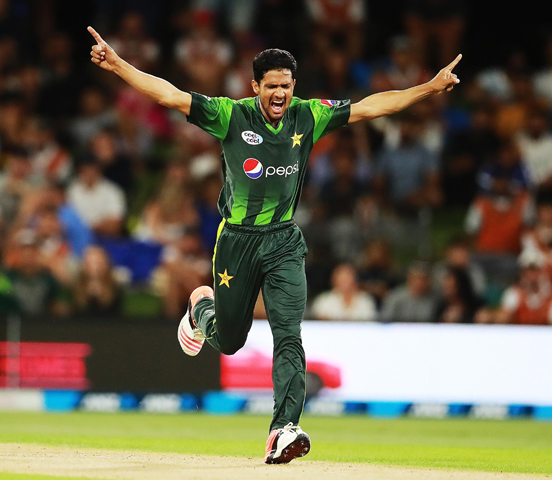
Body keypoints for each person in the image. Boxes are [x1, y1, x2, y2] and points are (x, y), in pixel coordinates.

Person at [88, 25, 461, 464]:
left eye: (286, 86)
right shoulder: (232, 114)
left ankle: (283, 429)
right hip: (236, 243)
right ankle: (201, 309)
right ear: (255, 87)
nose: (279, 94)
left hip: (284, 240)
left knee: (289, 334)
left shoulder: (310, 115)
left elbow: (369, 108)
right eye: (271, 87)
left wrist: (430, 87)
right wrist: (118, 66)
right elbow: (170, 96)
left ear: (293, 86)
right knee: (229, 341)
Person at [311, 263, 377, 321]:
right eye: (342, 279)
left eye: (348, 278)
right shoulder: (324, 301)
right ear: (334, 281)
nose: (345, 283)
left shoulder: (365, 301)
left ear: (355, 280)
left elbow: (370, 324)